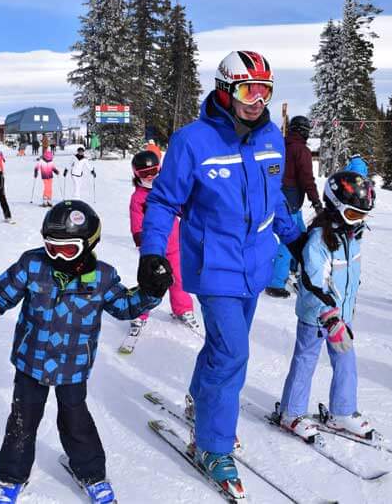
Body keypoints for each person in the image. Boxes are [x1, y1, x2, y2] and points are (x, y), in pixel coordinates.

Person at [139, 50, 304, 494]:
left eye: (266, 91)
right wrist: (153, 253)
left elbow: (276, 202)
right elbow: (163, 202)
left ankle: (199, 396)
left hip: (255, 265)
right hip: (214, 265)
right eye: (249, 90)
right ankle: (211, 445)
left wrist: (296, 239)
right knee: (232, 354)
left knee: (224, 346)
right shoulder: (192, 141)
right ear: (224, 89)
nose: (258, 100)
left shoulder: (271, 136)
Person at [0, 201, 161, 504]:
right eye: (50, 247)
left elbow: (125, 307)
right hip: (32, 360)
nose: (56, 256)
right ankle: (11, 478)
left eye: (66, 250)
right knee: (22, 420)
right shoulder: (33, 266)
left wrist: (152, 291)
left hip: (74, 365)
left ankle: (91, 473)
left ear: (88, 243)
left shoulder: (102, 278)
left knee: (75, 419)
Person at [277, 171, 375, 441]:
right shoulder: (318, 240)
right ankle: (291, 412)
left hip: (342, 315)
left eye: (363, 216)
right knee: (305, 360)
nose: (359, 222)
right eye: (354, 215)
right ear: (336, 208)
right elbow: (313, 283)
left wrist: (344, 311)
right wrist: (330, 317)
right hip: (317, 316)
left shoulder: (352, 235)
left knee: (346, 360)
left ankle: (342, 411)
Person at [129, 150, 198, 333]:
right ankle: (140, 312)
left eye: (154, 172)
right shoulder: (138, 198)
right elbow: (136, 220)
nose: (150, 177)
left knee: (178, 279)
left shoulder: (168, 192)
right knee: (151, 279)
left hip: (175, 245)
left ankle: (183, 309)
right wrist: (139, 238)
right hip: (153, 247)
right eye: (145, 174)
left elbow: (182, 209)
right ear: (136, 175)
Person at [266, 115, 322, 298]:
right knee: (288, 238)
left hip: (277, 195)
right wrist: (316, 202)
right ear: (304, 131)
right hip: (290, 200)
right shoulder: (301, 151)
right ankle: (275, 282)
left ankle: (294, 268)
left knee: (302, 235)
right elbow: (307, 179)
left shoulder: (280, 144)